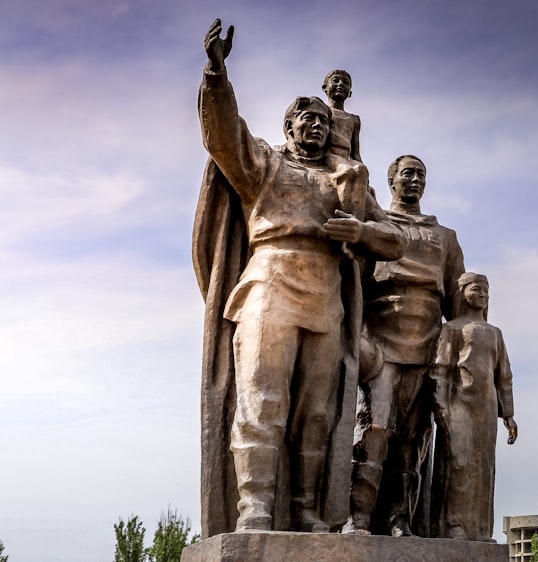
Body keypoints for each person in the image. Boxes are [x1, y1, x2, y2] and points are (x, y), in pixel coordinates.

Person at [193, 19, 406, 534]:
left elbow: (394, 241)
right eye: (303, 120)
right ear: (288, 129)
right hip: (270, 282)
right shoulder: (264, 164)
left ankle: (308, 510)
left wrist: (360, 231)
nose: (314, 126)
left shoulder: (343, 178)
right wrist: (217, 75)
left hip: (326, 293)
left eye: (320, 121)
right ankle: (255, 508)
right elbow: (224, 136)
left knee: (316, 413)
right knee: (262, 399)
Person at [345, 155, 465, 537]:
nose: (415, 181)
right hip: (380, 342)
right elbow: (353, 282)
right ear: (392, 179)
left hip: (427, 344)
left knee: (413, 442)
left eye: (421, 175)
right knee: (372, 430)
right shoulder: (377, 225)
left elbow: (460, 303)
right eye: (408, 173)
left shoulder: (444, 237)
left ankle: (400, 519)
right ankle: (358, 517)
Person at [428, 272, 517, 541]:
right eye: (477, 289)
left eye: (486, 291)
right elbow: (440, 370)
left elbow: (504, 376)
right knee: (458, 462)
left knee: (483, 467)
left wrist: (509, 414)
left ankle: (480, 529)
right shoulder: (452, 329)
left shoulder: (495, 334)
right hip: (458, 404)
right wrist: (441, 405)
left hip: (487, 407)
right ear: (463, 292)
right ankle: (454, 525)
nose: (482, 295)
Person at [321, 69, 362, 162]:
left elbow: (355, 153)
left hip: (345, 161)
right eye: (335, 81)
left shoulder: (354, 120)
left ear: (350, 93)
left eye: (346, 83)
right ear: (325, 88)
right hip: (325, 159)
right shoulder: (321, 111)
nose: (340, 84)